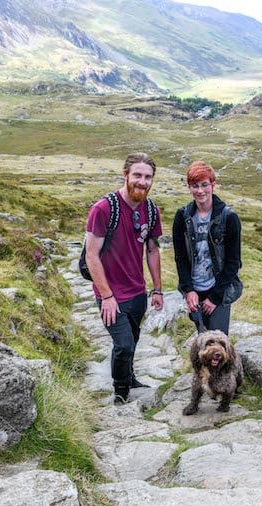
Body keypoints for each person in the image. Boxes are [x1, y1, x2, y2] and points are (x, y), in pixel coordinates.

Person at [84, 152, 164, 404]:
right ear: (126, 174)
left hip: (137, 292)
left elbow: (152, 250)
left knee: (134, 338)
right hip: (111, 294)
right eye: (138, 175)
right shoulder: (103, 209)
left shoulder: (151, 210)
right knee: (124, 345)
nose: (142, 181)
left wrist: (157, 289)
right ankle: (120, 391)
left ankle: (128, 376)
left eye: (148, 177)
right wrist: (106, 296)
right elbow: (91, 256)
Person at [173, 161, 242, 335]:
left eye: (205, 185)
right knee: (203, 344)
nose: (200, 191)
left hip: (218, 290)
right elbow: (180, 258)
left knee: (218, 343)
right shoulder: (182, 216)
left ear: (213, 185)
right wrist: (188, 290)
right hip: (195, 291)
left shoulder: (229, 217)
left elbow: (233, 263)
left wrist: (215, 297)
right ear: (189, 187)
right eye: (195, 186)